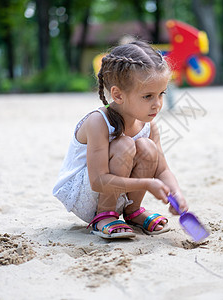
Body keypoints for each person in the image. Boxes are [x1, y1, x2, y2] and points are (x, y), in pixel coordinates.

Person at [52, 40, 188, 240]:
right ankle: (104, 216)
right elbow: (98, 181)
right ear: (118, 94)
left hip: (119, 191)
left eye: (161, 94)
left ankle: (132, 212)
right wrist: (147, 184)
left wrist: (176, 193)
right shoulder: (98, 122)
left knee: (148, 148)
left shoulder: (148, 126)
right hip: (87, 193)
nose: (157, 104)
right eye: (148, 96)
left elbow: (162, 170)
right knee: (124, 144)